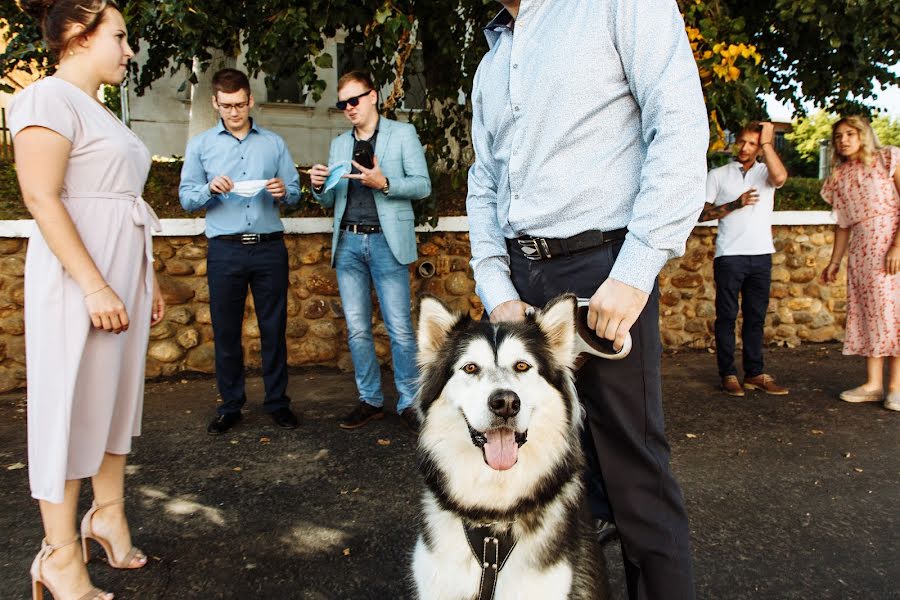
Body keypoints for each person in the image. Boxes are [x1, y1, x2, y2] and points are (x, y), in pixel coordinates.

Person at [466, 2, 707, 598]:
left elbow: (678, 122)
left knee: (634, 478)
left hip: (605, 269)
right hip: (523, 285)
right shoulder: (492, 63)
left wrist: (637, 267)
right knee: (549, 478)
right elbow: (484, 182)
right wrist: (497, 287)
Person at [9, 1, 166, 598]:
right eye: (120, 37)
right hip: (79, 281)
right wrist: (96, 283)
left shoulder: (99, 110)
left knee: (113, 401)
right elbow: (42, 197)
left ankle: (107, 515)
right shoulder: (47, 98)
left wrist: (142, 279)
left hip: (120, 277)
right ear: (79, 34)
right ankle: (58, 555)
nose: (129, 51)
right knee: (68, 404)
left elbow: (119, 201)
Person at [179, 68, 302, 434]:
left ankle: (278, 402)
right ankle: (230, 405)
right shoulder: (201, 145)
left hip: (268, 249)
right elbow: (187, 198)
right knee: (227, 331)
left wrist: (285, 192)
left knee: (273, 329)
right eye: (226, 106)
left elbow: (294, 193)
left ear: (250, 100)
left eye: (240, 104)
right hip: (225, 250)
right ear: (216, 103)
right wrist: (208, 190)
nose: (234, 112)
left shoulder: (274, 143)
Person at [308, 71, 431, 433]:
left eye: (354, 100)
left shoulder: (402, 134)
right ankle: (370, 400)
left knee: (400, 329)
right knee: (358, 330)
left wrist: (385, 183)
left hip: (385, 242)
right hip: (348, 242)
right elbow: (330, 196)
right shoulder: (338, 145)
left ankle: (410, 401)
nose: (349, 108)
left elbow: (423, 185)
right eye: (342, 103)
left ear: (373, 96)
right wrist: (317, 187)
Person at [700, 122, 790, 397]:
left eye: (752, 143)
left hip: (761, 255)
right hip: (730, 255)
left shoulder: (765, 172)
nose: (745, 148)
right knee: (726, 317)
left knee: (755, 318)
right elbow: (702, 215)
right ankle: (728, 373)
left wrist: (766, 143)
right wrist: (735, 204)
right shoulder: (718, 175)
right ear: (734, 142)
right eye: (742, 142)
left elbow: (781, 178)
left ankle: (754, 373)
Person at [819, 116, 900, 411]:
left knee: (893, 313)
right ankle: (874, 384)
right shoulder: (839, 177)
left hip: (891, 244)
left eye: (850, 134)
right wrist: (834, 262)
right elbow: (842, 225)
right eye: (839, 136)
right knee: (870, 314)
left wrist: (897, 247)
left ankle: (895, 387)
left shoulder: (887, 159)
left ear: (863, 134)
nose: (844, 140)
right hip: (862, 251)